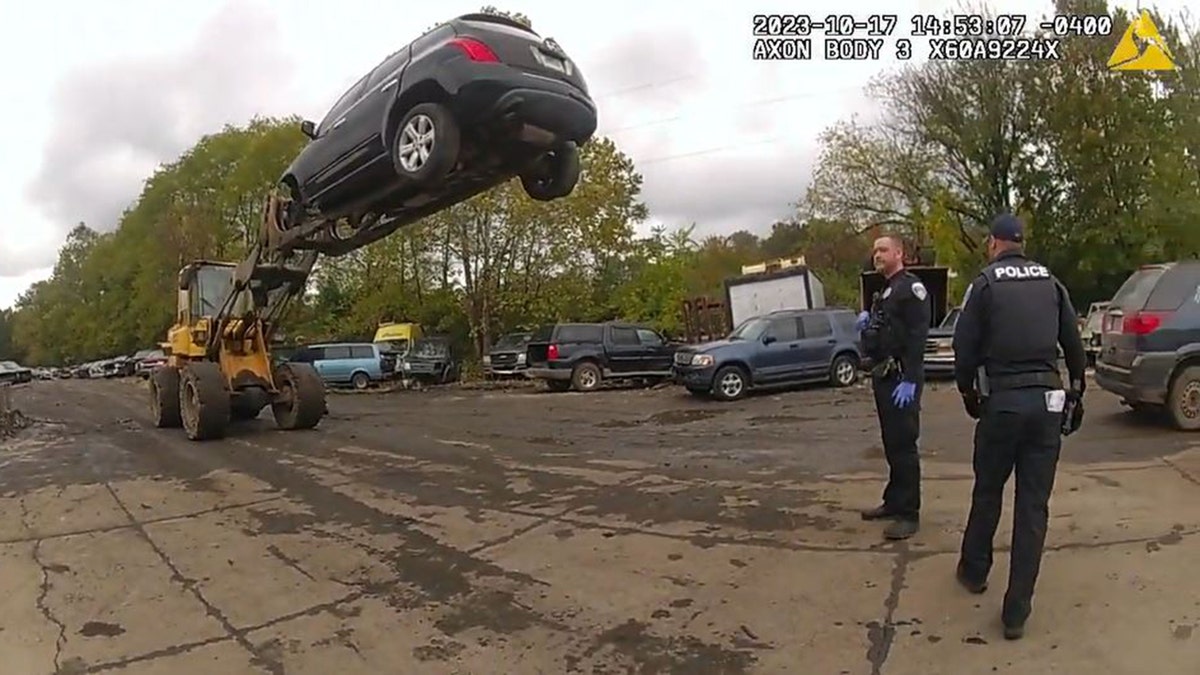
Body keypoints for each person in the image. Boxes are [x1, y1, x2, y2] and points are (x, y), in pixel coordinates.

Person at [951, 213, 1087, 640]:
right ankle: (1016, 611)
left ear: (994, 243)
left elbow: (963, 347)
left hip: (1003, 405)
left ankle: (974, 571)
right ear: (1022, 243)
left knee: (988, 489)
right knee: (1033, 507)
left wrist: (969, 394)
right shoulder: (1051, 282)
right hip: (1047, 403)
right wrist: (1076, 393)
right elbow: (1074, 345)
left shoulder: (986, 284)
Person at [857, 234, 931, 540]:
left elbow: (917, 336)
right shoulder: (886, 290)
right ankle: (894, 500)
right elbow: (884, 331)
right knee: (892, 444)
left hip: (901, 378)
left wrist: (911, 378)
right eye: (875, 250)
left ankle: (909, 513)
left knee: (904, 446)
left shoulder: (910, 288)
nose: (877, 255)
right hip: (884, 374)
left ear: (899, 253)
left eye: (883, 249)